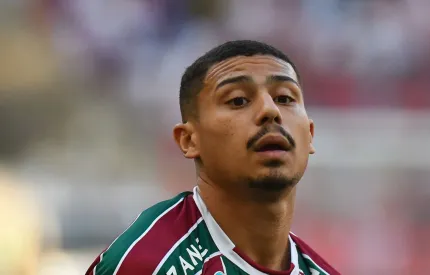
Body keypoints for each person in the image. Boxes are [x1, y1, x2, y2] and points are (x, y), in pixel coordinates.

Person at [86, 40, 340, 275]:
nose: (270, 110)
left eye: (284, 98)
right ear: (189, 140)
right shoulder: (148, 263)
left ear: (310, 134)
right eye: (239, 100)